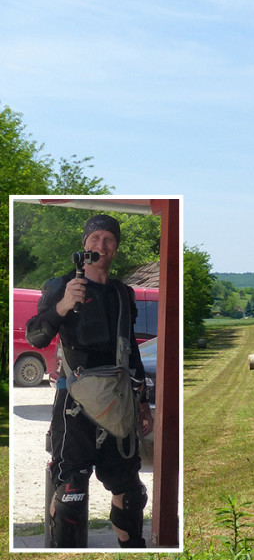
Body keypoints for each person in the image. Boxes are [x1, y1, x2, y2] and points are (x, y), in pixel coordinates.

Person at [25, 214, 154, 548]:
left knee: (130, 493)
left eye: (108, 239)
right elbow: (36, 337)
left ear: (116, 248)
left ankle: (132, 549)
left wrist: (142, 402)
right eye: (95, 238)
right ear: (84, 244)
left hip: (119, 401)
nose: (101, 245)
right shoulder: (61, 285)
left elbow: (131, 353)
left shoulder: (122, 293)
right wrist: (65, 304)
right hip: (75, 405)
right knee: (71, 491)